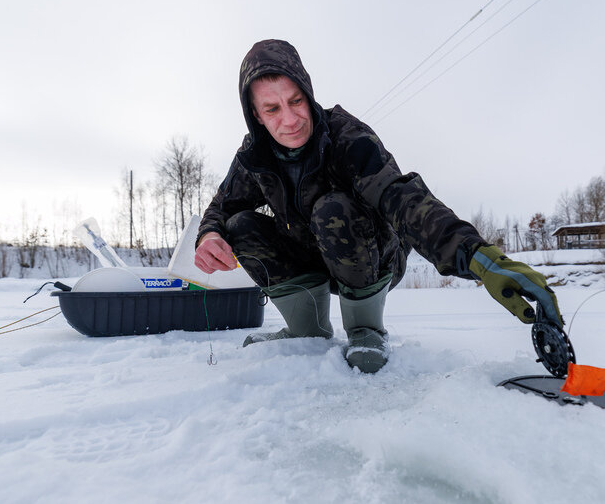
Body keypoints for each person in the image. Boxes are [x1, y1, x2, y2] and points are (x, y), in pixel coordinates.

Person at [195, 39, 562, 373]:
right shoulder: (254, 155)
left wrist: (481, 259)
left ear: (308, 93)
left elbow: (401, 197)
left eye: (295, 101)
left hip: (373, 255)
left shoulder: (346, 136)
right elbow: (222, 206)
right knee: (240, 224)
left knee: (332, 208)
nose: (289, 120)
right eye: (272, 109)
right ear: (256, 115)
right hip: (311, 258)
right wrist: (209, 234)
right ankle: (307, 330)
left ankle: (366, 329)